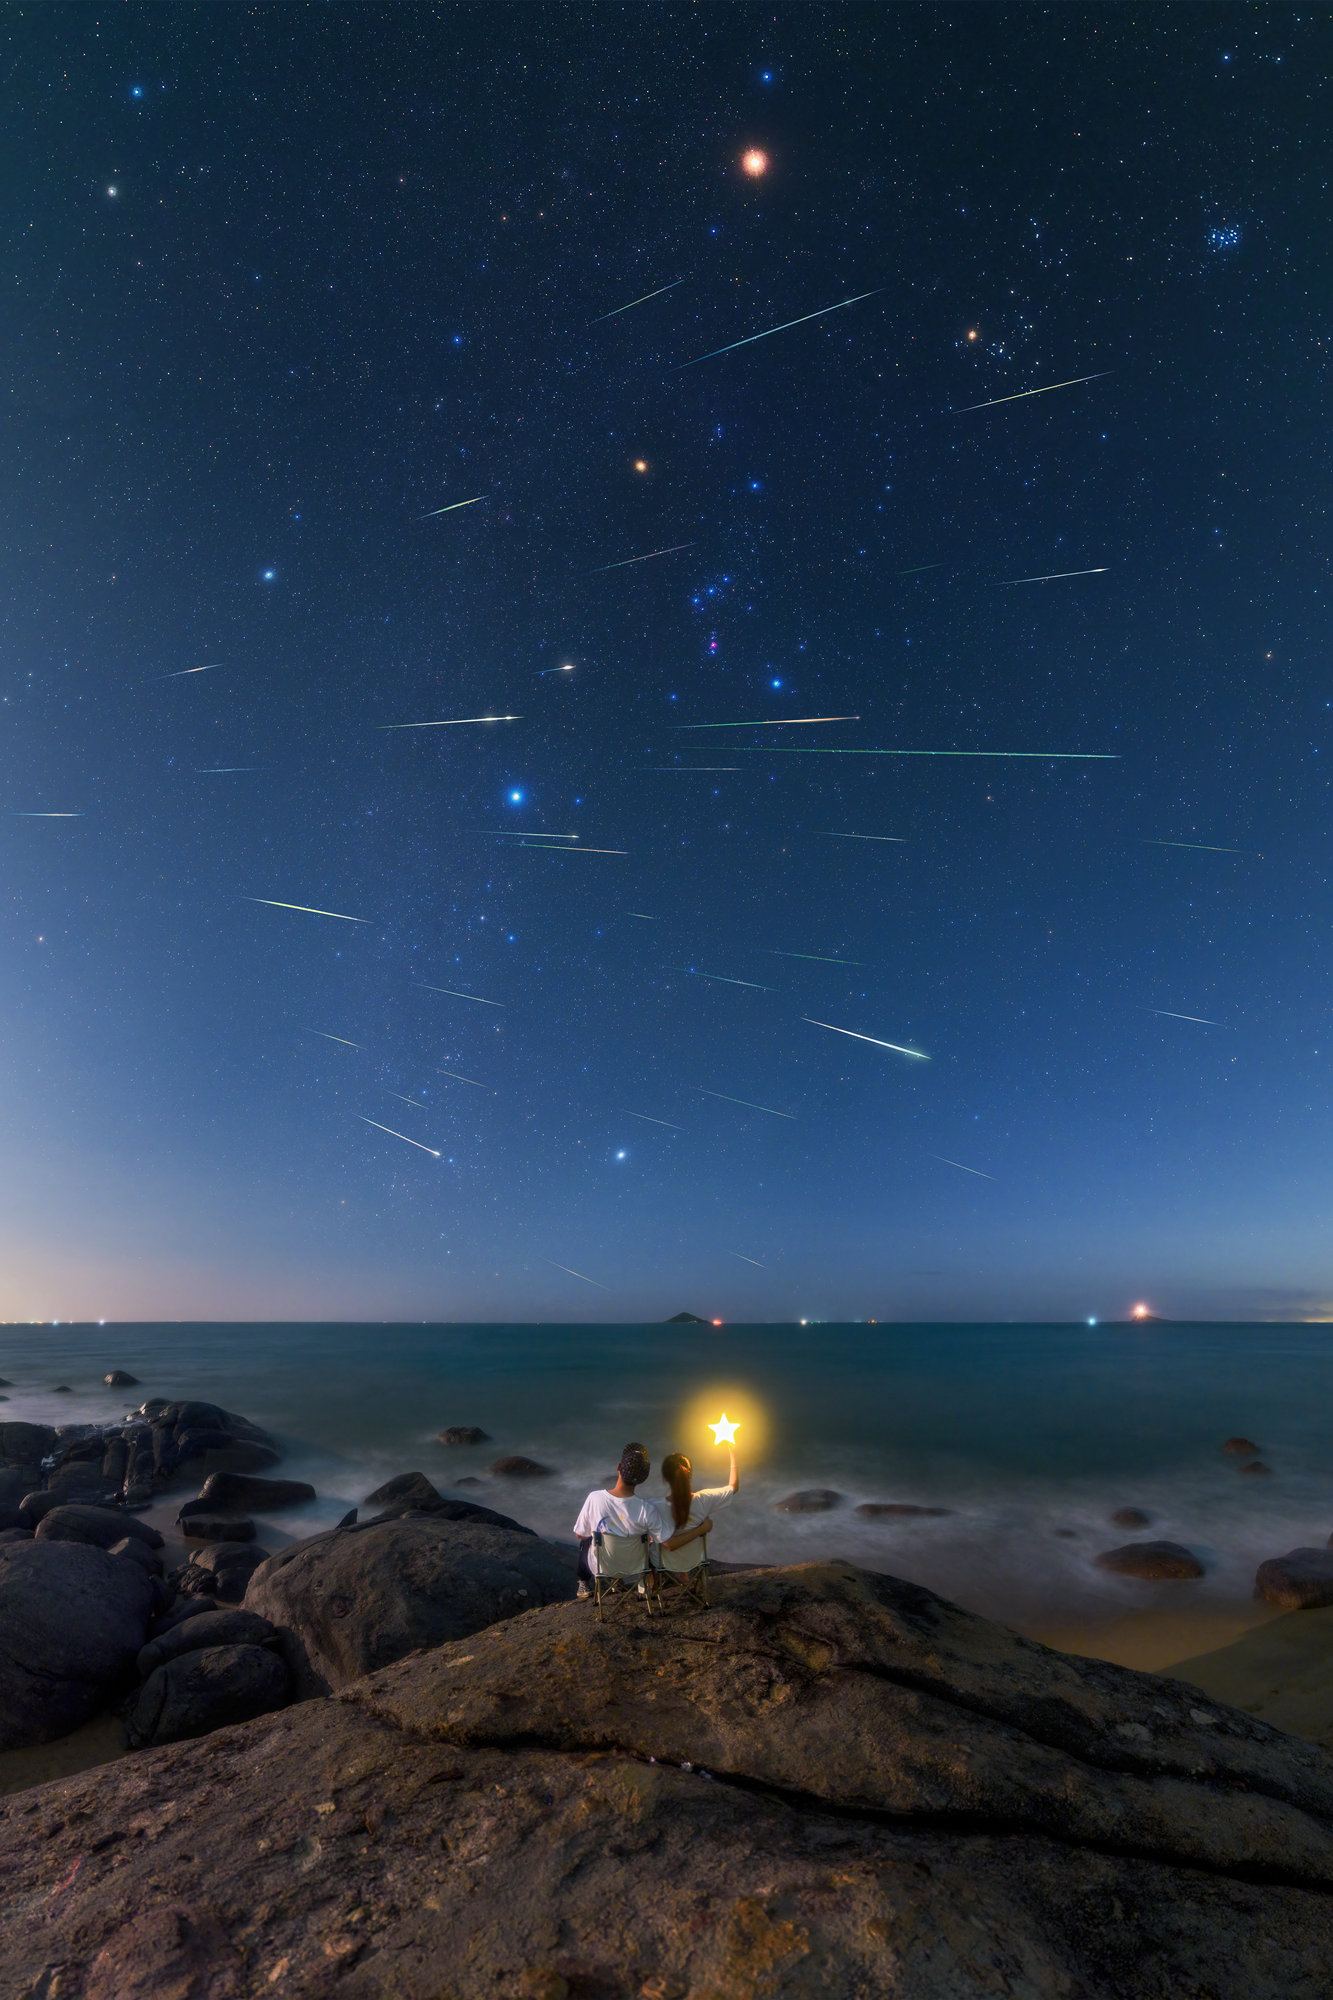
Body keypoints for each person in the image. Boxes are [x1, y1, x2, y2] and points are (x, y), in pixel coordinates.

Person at [572, 1441, 659, 1599]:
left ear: (619, 1467)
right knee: (638, 1535)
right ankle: (626, 1584)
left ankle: (584, 1583)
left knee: (587, 1537)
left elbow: (579, 1534)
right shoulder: (647, 1508)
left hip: (604, 1565)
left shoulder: (595, 1498)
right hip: (636, 1566)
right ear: (643, 1478)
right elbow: (658, 1538)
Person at [654, 1436, 740, 1565]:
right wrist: (733, 1453)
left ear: (666, 1478)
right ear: (690, 1474)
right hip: (693, 1560)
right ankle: (685, 1575)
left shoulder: (657, 1506)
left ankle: (652, 1583)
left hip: (665, 1562)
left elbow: (670, 1545)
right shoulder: (704, 1499)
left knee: (647, 1542)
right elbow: (733, 1487)